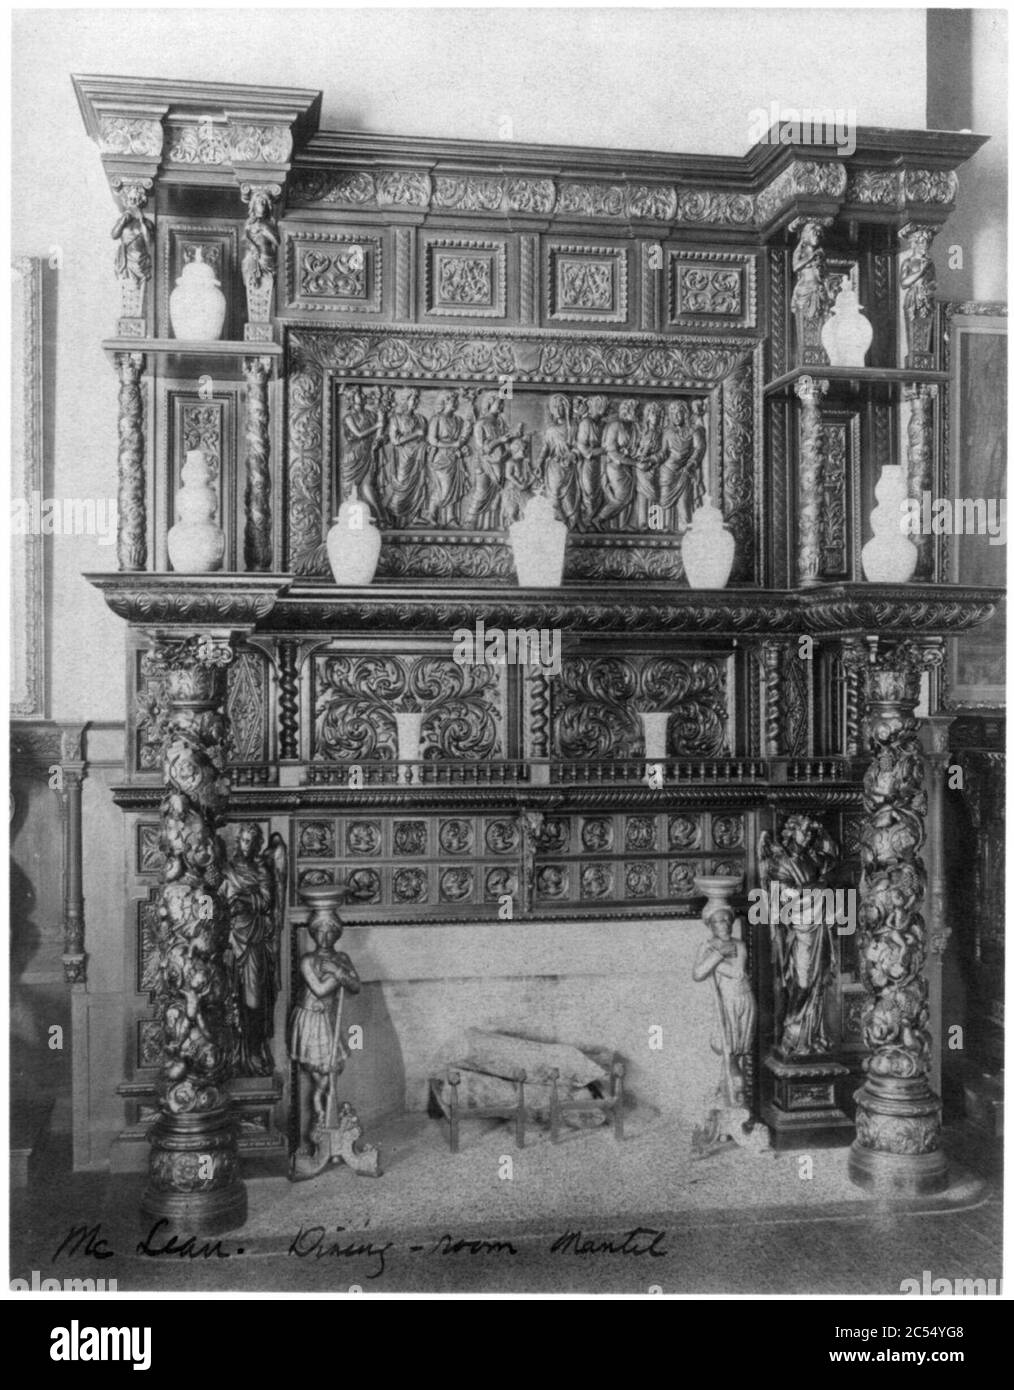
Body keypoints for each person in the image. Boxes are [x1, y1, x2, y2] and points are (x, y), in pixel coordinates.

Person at [758, 815, 840, 1057]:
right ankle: (792, 1034)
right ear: (791, 832)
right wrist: (817, 889)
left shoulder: (812, 859)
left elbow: (832, 859)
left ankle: (811, 1037)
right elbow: (784, 898)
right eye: (803, 832)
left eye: (809, 833)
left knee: (818, 982)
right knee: (802, 983)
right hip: (799, 929)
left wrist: (822, 831)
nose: (807, 837)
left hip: (818, 928)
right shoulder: (779, 863)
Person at [288, 911, 362, 1155]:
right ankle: (322, 1119)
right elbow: (319, 989)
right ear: (313, 932)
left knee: (333, 1070)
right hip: (310, 1018)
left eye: (331, 931)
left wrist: (339, 971)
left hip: (329, 1020)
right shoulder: (307, 960)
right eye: (320, 930)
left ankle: (330, 1121)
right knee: (321, 1075)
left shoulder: (341, 957)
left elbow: (356, 986)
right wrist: (339, 973)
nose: (325, 936)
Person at [220, 823, 286, 1076]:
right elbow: (212, 900)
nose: (247, 845)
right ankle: (229, 1054)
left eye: (252, 841)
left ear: (257, 845)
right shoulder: (226, 869)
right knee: (227, 999)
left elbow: (267, 900)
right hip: (228, 939)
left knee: (254, 1000)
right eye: (244, 840)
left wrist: (241, 898)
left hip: (254, 939)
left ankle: (254, 1050)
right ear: (238, 842)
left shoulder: (260, 870)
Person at [692, 905, 756, 1108]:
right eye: (720, 920)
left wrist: (716, 960)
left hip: (744, 999)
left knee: (738, 1052)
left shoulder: (739, 944)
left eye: (728, 920)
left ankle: (732, 1097)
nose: (726, 924)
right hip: (726, 1002)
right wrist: (717, 955)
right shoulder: (707, 946)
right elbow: (698, 974)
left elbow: (738, 972)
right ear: (711, 924)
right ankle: (730, 1096)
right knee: (727, 1051)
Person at [425, 390, 473, 526]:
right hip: (441, 458)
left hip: (455, 458)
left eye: (457, 401)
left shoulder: (458, 420)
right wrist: (452, 444)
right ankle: (431, 514)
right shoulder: (437, 419)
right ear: (445, 402)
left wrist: (462, 445)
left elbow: (462, 438)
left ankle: (451, 518)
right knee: (444, 489)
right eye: (453, 400)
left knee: (454, 488)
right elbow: (432, 440)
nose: (456, 403)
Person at [340, 385, 385, 520]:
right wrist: (377, 425)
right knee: (352, 486)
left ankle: (379, 515)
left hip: (367, 451)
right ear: (352, 398)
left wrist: (380, 435)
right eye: (359, 394)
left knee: (367, 484)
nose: (363, 396)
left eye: (363, 394)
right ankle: (352, 520)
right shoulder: (349, 417)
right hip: (354, 453)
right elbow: (358, 434)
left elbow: (379, 432)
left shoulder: (370, 414)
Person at [535, 394, 579, 527]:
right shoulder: (550, 430)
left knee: (570, 501)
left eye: (561, 406)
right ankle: (560, 525)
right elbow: (545, 448)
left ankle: (571, 525)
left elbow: (579, 446)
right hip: (554, 468)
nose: (558, 409)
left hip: (570, 468)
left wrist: (572, 454)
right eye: (555, 407)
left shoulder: (573, 427)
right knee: (554, 497)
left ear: (566, 408)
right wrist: (538, 464)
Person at [387, 387, 428, 527]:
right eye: (413, 398)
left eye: (417, 398)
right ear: (405, 400)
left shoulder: (421, 419)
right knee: (402, 486)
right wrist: (415, 434)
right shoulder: (396, 419)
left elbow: (425, 439)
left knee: (419, 484)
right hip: (404, 458)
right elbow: (394, 440)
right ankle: (393, 516)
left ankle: (415, 515)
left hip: (418, 457)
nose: (416, 401)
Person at [596, 398, 638, 528]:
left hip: (627, 466)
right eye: (636, 411)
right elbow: (611, 452)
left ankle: (623, 524)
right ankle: (599, 519)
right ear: (627, 411)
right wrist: (635, 463)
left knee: (629, 496)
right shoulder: (615, 426)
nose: (638, 414)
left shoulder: (633, 426)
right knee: (620, 497)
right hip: (615, 467)